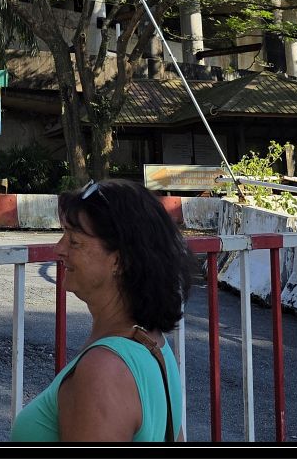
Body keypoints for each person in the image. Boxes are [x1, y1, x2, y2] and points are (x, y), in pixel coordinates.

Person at [11, 179, 194, 443]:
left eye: (74, 241)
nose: (59, 249)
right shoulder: (154, 345)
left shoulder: (103, 370)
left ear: (119, 260)